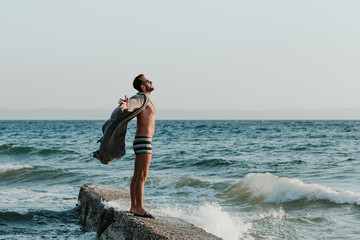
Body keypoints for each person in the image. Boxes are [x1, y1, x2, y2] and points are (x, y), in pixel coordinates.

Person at [118, 74, 156, 219]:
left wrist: (128, 105)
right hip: (144, 141)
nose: (151, 81)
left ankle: (134, 206)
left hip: (141, 140)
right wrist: (127, 105)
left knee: (137, 175)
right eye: (148, 81)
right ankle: (139, 208)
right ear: (143, 86)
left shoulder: (144, 99)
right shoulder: (142, 98)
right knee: (142, 175)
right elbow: (134, 103)